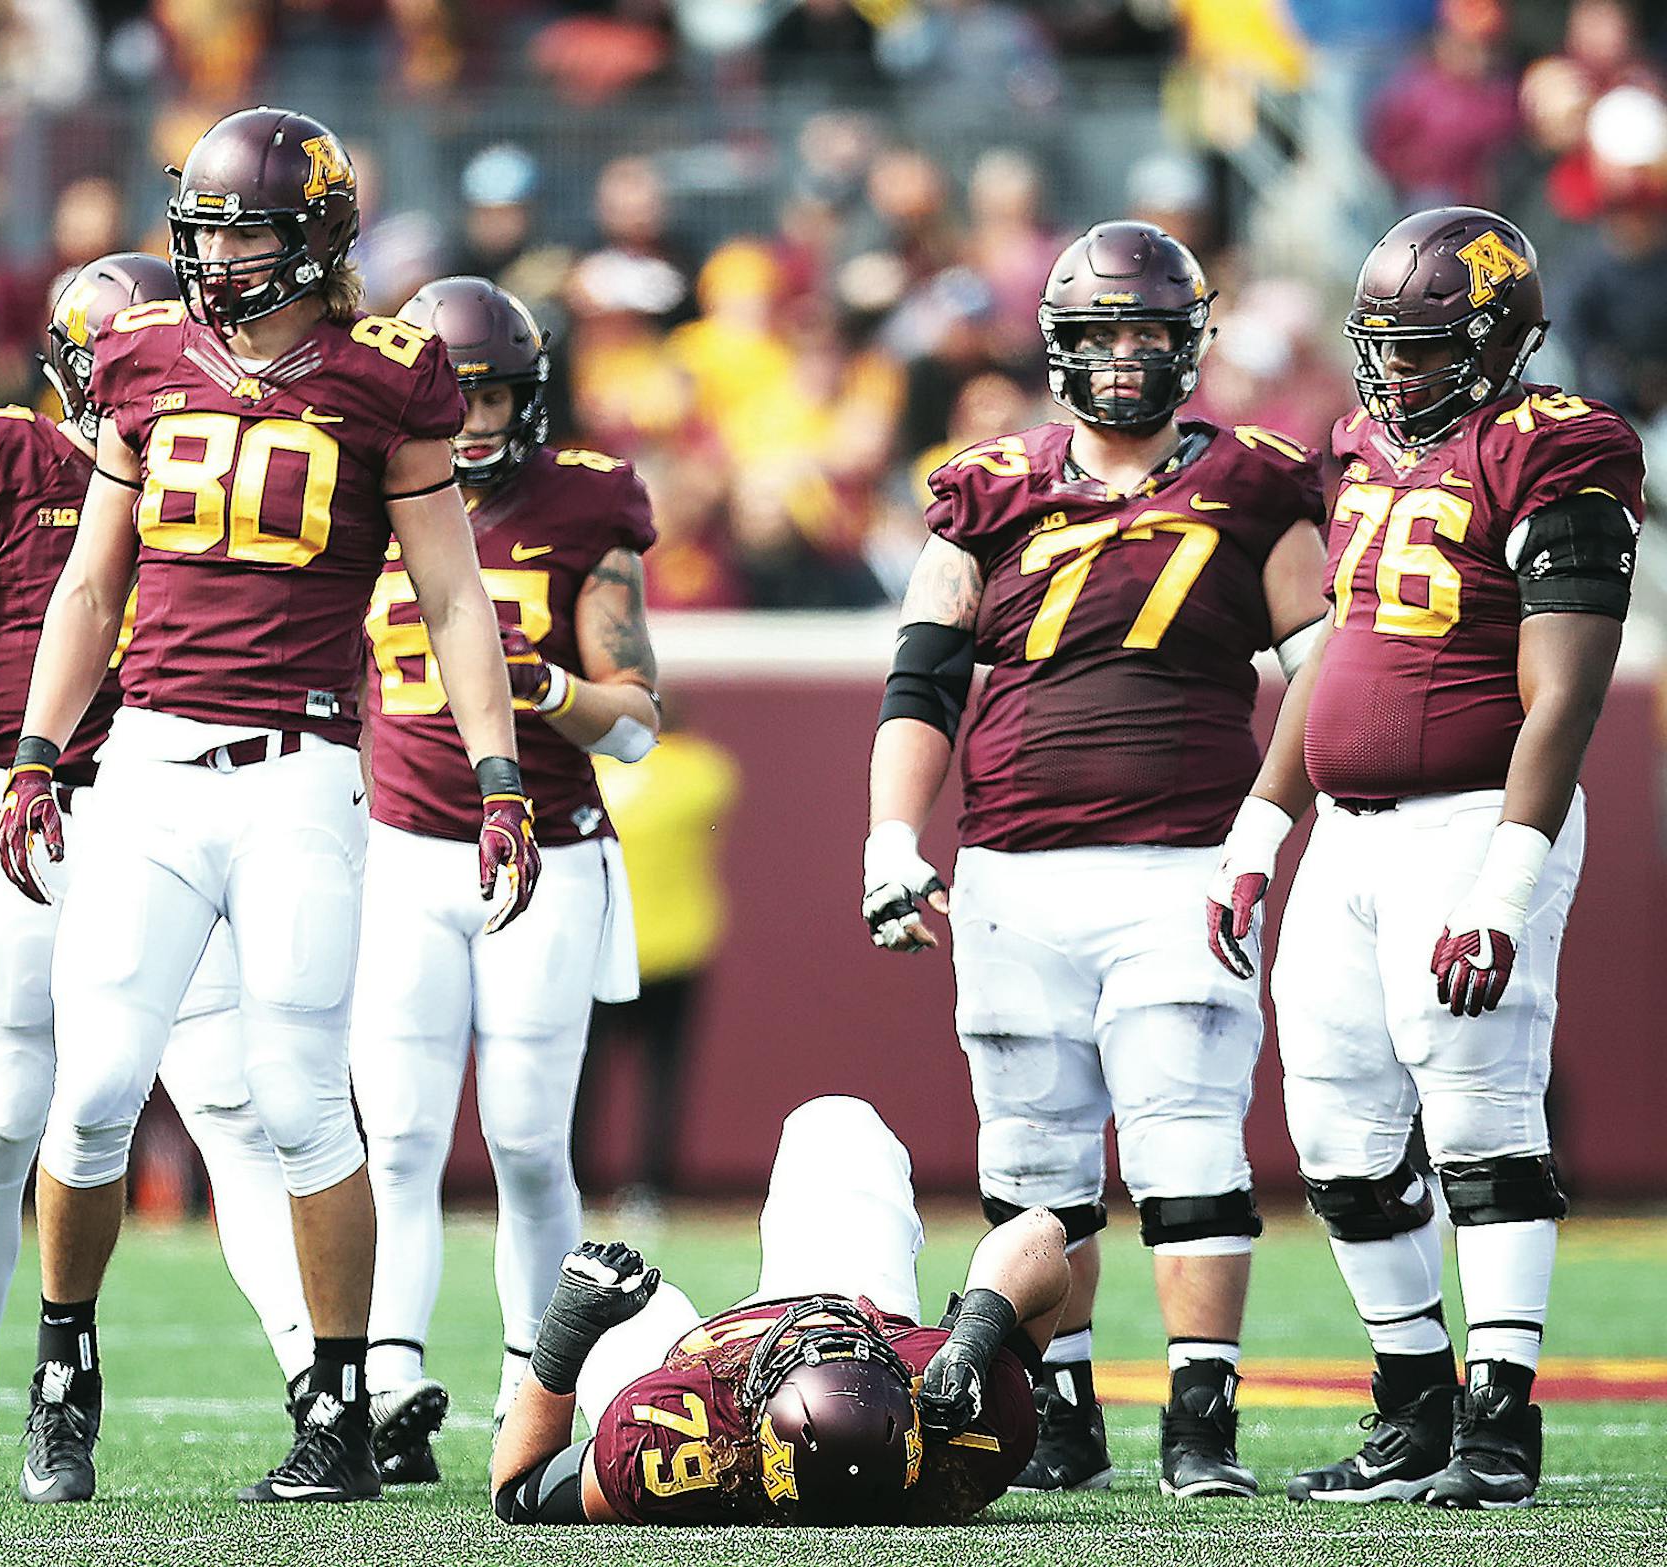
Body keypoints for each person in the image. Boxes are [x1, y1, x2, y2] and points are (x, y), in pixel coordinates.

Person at [0, 107, 536, 1506]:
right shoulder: (143, 355)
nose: (215, 255)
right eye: (208, 228)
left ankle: (339, 1408)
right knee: (99, 1085)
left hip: (301, 768)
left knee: (304, 1098)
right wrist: (43, 748)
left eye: (246, 233)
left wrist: (497, 772)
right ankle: (63, 1369)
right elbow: (93, 584)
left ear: (319, 242)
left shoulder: (388, 376)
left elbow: (452, 593)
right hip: (154, 769)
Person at [861, 220, 1329, 1499]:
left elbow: (1319, 686)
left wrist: (1261, 834)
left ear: (1190, 345)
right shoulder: (984, 486)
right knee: (1032, 1157)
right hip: (1014, 867)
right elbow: (923, 683)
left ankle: (1201, 1421)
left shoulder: (1260, 482)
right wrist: (888, 837)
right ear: (1059, 347)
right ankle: (1061, 1411)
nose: (1125, 360)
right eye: (1102, 336)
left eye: (1148, 336)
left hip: (1186, 860)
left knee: (1188, 1143)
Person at [1209, 206, 1644, 1508]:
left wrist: (1507, 881)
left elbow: (1563, 694)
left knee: (1477, 1103)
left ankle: (1500, 1422)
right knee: (1333, 1116)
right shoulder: (1359, 446)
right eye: (1383, 342)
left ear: (1500, 338)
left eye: (1428, 342)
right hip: (1346, 832)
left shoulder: (1554, 447)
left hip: (1474, 815)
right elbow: (1338, 653)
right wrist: (1258, 826)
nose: (1396, 368)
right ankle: (1411, 1402)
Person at [0, 252, 311, 1498]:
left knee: (230, 1101)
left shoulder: (226, 441)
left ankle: (319, 1389)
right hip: (38, 806)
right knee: (11, 1109)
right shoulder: (7, 455)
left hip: (174, 805)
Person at [352, 275, 661, 1484]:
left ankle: (534, 1384)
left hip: (547, 848)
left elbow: (636, 723)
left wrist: (541, 690)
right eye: (455, 391)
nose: (474, 419)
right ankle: (386, 1381)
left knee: (529, 1140)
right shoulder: (360, 485)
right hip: (397, 847)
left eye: (494, 394)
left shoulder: (587, 500)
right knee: (401, 1137)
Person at [485, 1096, 1069, 1526]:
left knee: (618, 1311)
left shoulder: (676, 1440)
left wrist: (564, 1335)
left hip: (703, 1365)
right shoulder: (970, 1437)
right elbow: (1040, 1236)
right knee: (838, 1124)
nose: (817, 1328)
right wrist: (972, 1340)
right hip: (866, 1311)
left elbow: (518, 1490)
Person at [577, 711, 740, 1210]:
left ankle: (575, 1182)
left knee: (582, 1077)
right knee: (663, 1077)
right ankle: (650, 1187)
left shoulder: (596, 772)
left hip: (604, 949)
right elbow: (717, 784)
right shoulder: (700, 771)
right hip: (676, 946)